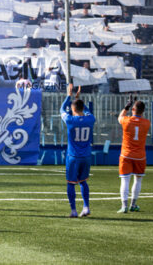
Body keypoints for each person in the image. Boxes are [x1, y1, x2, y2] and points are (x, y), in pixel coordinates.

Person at [61, 84, 95, 218]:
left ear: (73, 109)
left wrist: (69, 95)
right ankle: (86, 207)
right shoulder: (90, 119)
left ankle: (74, 210)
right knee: (83, 181)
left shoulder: (70, 120)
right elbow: (86, 111)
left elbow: (62, 109)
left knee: (70, 183)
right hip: (86, 156)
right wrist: (78, 100)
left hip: (73, 156)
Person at [117, 96, 150, 213]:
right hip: (140, 156)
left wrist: (126, 106)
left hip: (126, 155)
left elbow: (119, 117)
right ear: (143, 111)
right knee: (138, 180)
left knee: (125, 181)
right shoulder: (147, 123)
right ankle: (133, 204)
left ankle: (124, 206)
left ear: (133, 109)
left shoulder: (126, 121)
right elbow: (140, 117)